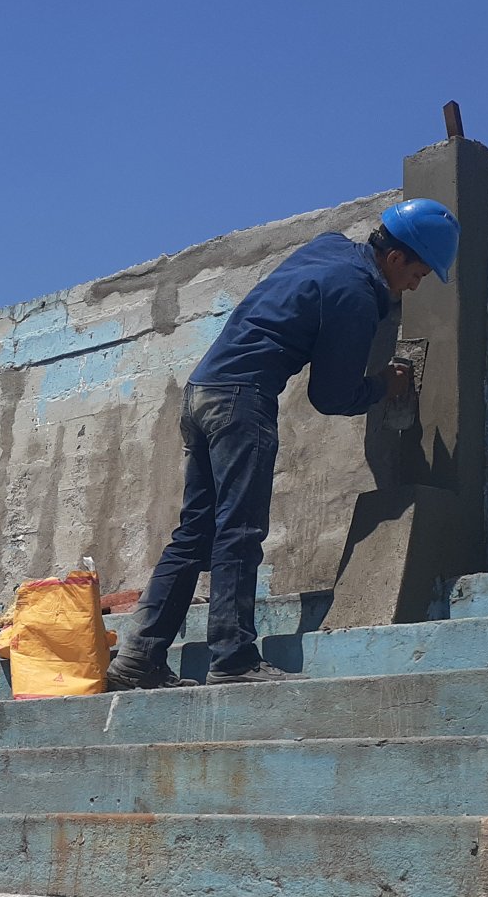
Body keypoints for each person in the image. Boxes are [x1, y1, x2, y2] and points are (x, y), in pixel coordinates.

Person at [106, 199, 459, 689]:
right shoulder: (356, 292)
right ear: (396, 257)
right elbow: (330, 396)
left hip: (201, 392)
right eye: (417, 274)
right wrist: (383, 385)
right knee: (240, 530)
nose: (415, 286)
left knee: (194, 535)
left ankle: (137, 659)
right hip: (242, 401)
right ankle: (233, 660)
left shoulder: (330, 246)